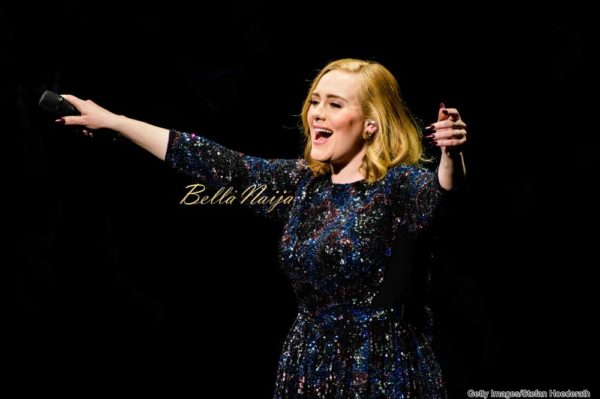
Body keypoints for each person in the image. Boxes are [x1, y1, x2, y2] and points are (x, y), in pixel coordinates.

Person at [58, 58, 467, 398]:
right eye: (315, 102)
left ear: (370, 124)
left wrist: (451, 156)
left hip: (381, 371)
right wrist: (117, 122)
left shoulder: (399, 186)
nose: (318, 114)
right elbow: (219, 164)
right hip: (307, 364)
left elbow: (441, 196)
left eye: (335, 105)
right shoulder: (301, 184)